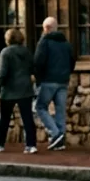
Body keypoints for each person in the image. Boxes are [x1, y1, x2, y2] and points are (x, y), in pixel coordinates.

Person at [0, 28, 38, 154]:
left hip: (9, 90)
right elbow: (32, 68)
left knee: (4, 118)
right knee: (27, 118)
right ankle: (31, 145)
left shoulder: (6, 52)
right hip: (26, 89)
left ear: (8, 39)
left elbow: (3, 72)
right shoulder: (26, 51)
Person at [32, 16, 74, 150]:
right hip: (63, 81)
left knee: (40, 107)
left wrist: (38, 79)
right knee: (60, 110)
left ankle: (55, 134)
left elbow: (38, 62)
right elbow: (72, 62)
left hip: (47, 80)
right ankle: (60, 138)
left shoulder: (44, 42)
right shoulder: (66, 43)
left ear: (47, 28)